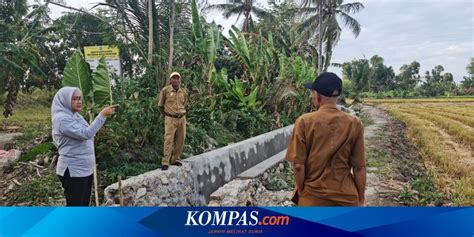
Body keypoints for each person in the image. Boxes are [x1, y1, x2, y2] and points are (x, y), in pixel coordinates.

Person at [285, 72, 366, 206]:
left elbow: (298, 166)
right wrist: (361, 200)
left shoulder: (304, 122)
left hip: (313, 199)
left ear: (316, 95)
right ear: (338, 96)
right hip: (346, 199)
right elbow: (359, 168)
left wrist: (302, 193)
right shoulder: (354, 123)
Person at [51, 87, 117, 206]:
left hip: (83, 170)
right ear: (65, 100)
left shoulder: (75, 116)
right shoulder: (62, 119)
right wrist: (102, 115)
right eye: (74, 99)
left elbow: (88, 131)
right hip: (73, 170)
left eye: (80, 98)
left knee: (83, 205)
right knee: (76, 206)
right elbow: (86, 134)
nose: (79, 101)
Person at [158, 72, 188, 171]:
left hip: (182, 118)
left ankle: (175, 159)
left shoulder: (183, 92)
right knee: (168, 140)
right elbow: (161, 105)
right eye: (173, 78)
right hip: (170, 118)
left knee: (181, 139)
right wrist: (167, 115)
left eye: (177, 78)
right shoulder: (165, 91)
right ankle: (165, 161)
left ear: (180, 80)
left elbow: (185, 104)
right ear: (170, 80)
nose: (175, 80)